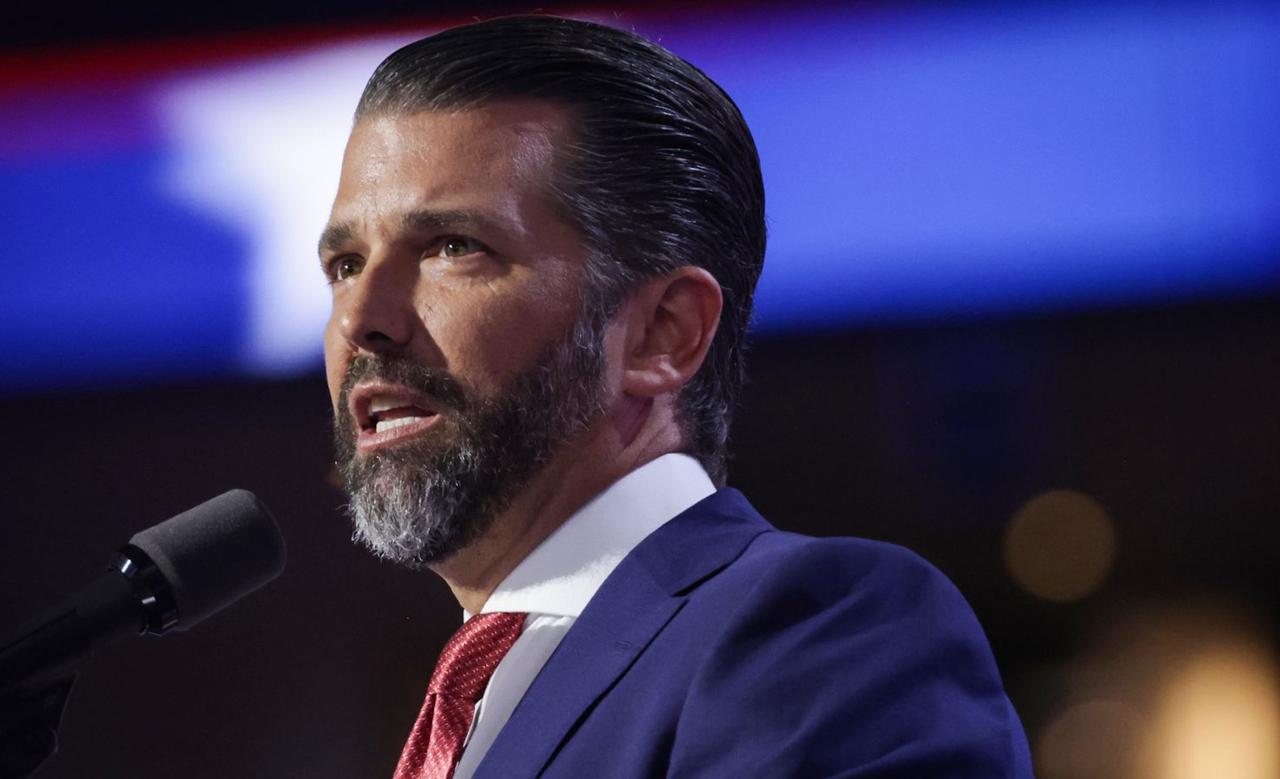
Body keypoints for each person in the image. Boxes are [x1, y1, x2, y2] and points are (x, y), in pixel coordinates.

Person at [320, 14, 1034, 779]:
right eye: (346, 264)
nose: (361, 320)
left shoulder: (818, 633)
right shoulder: (472, 699)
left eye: (453, 247)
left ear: (664, 332)